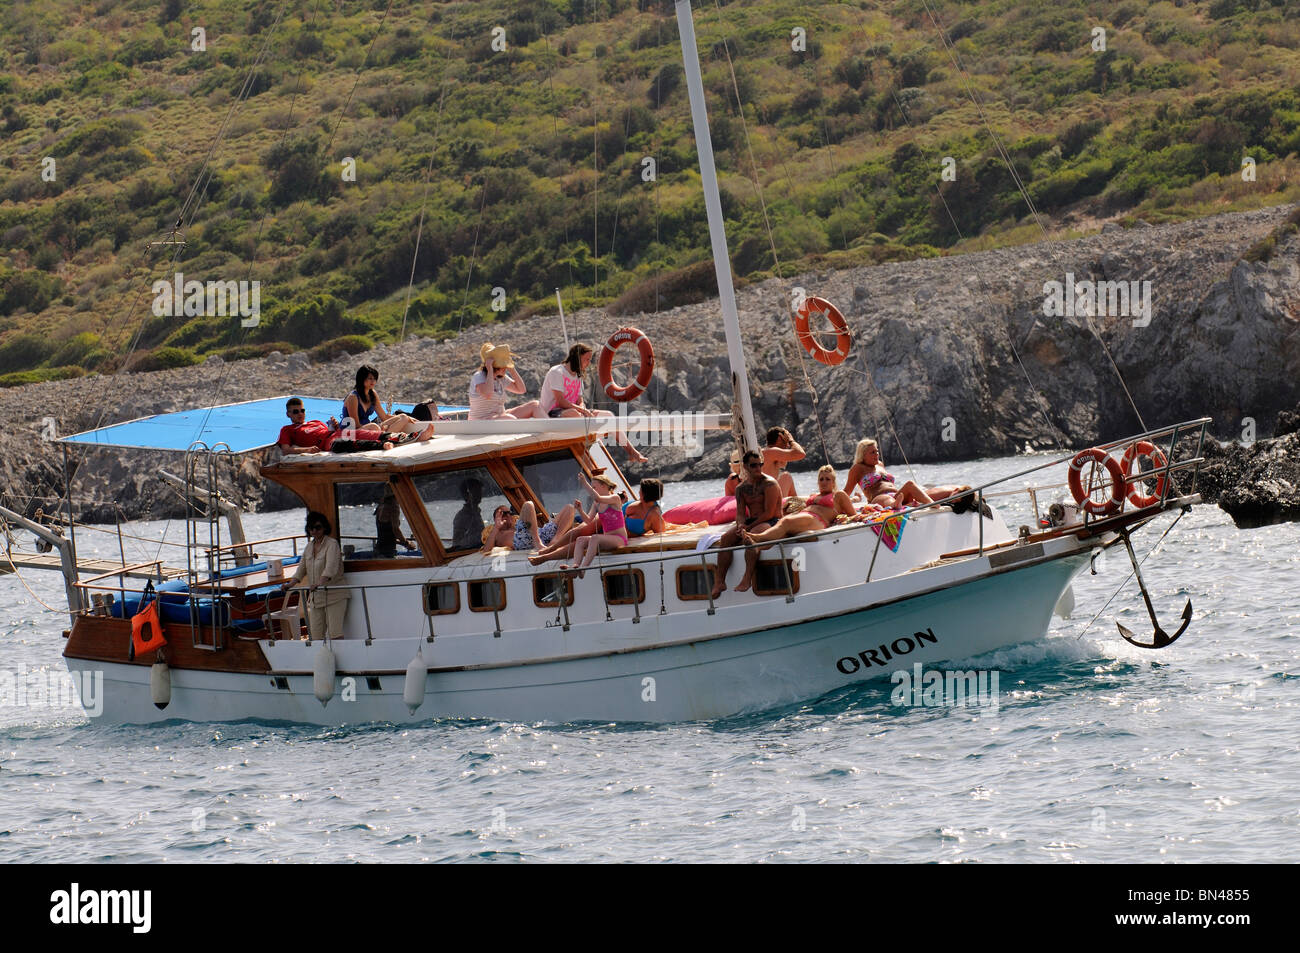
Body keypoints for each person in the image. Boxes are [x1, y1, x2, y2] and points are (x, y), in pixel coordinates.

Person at [540, 343, 649, 463]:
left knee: (608, 415)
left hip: (575, 412)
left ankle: (632, 452)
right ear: (577, 357)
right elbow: (560, 401)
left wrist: (583, 409)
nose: (588, 363)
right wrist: (582, 411)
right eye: (587, 359)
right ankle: (592, 441)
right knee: (574, 414)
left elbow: (579, 400)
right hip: (552, 414)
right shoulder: (557, 372)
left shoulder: (578, 376)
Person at [711, 449, 781, 598]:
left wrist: (748, 528)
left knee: (751, 538)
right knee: (725, 539)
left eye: (760, 465)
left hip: (771, 521)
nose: (758, 468)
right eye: (753, 465)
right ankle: (719, 581)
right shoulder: (740, 488)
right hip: (752, 521)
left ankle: (747, 578)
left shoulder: (770, 484)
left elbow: (769, 513)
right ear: (745, 467)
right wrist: (741, 525)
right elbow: (741, 513)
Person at [742, 465, 856, 545]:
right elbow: (798, 503)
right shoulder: (814, 495)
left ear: (833, 482)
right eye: (821, 479)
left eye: (828, 479)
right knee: (784, 527)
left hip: (818, 520)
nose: (824, 482)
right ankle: (758, 546)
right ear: (818, 482)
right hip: (805, 516)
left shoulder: (839, 495)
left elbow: (853, 514)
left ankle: (758, 538)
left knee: (786, 522)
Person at [843, 438, 969, 510]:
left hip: (897, 495)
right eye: (872, 453)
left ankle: (934, 505)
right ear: (863, 455)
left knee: (910, 484)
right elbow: (846, 492)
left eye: (877, 452)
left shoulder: (880, 465)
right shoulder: (857, 468)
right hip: (878, 498)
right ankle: (896, 505)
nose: (876, 455)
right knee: (888, 499)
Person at [280, 511, 349, 641]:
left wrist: (319, 583)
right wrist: (290, 584)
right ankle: (321, 660)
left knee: (335, 634)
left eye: (318, 527)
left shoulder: (332, 544)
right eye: (311, 528)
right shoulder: (308, 547)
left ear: (324, 527)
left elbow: (331, 568)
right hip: (316, 599)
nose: (314, 531)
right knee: (316, 636)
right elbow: (301, 569)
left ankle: (340, 660)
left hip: (335, 595)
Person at [277, 397, 409, 454]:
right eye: (295, 412)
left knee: (368, 432)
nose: (300, 414)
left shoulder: (316, 422)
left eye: (302, 410)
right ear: (288, 414)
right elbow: (285, 450)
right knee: (345, 443)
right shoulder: (287, 430)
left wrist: (334, 426)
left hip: (336, 433)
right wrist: (306, 450)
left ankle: (403, 437)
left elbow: (331, 431)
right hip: (328, 443)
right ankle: (382, 444)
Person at [342, 364, 435, 441]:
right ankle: (415, 437)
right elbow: (356, 425)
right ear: (362, 379)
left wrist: (409, 417)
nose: (373, 381)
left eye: (374, 379)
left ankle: (385, 436)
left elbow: (384, 417)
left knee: (403, 417)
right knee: (375, 426)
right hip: (352, 432)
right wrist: (375, 427)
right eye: (370, 378)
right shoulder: (353, 397)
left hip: (371, 429)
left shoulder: (372, 394)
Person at [561, 473, 629, 577]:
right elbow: (588, 521)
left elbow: (598, 498)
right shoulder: (596, 503)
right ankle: (575, 568)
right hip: (606, 539)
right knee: (580, 540)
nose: (592, 490)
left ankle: (583, 570)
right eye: (592, 487)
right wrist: (580, 509)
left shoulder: (615, 498)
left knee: (594, 538)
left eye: (594, 487)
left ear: (604, 486)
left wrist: (584, 483)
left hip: (619, 538)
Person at [469, 343, 543, 420]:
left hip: (500, 416)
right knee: (510, 418)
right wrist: (490, 370)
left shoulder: (501, 378)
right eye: (502, 364)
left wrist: (512, 369)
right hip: (481, 420)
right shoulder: (479, 376)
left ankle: (551, 429)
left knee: (535, 405)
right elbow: (488, 394)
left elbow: (521, 390)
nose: (505, 366)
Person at [480, 501, 578, 553]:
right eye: (504, 514)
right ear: (496, 518)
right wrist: (497, 527)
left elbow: (528, 525)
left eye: (509, 512)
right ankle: (538, 543)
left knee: (570, 507)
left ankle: (555, 540)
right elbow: (486, 550)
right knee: (528, 504)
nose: (508, 515)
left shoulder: (515, 525)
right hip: (522, 540)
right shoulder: (496, 534)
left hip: (541, 534)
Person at [762, 426, 805, 497]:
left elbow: (783, 463)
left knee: (786, 476)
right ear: (779, 438)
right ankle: (795, 505)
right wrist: (791, 440)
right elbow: (800, 454)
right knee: (787, 477)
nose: (787, 444)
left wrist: (785, 445)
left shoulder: (769, 453)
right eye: (785, 439)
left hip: (767, 493)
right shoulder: (771, 452)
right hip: (766, 496)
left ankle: (794, 504)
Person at [374, 485, 414, 557]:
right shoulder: (393, 506)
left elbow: (386, 536)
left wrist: (403, 543)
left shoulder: (381, 505)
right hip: (388, 553)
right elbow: (396, 530)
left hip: (379, 550)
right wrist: (407, 543)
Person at [451, 477, 485, 550]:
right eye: (476, 491)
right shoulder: (462, 516)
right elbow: (457, 544)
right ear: (467, 494)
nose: (480, 494)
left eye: (480, 491)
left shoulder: (476, 512)